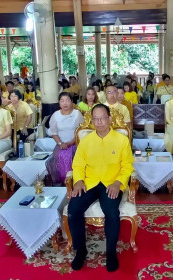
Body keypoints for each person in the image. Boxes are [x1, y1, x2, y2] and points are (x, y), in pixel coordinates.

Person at [68, 104, 134, 272]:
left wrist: (118, 183)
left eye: (103, 118)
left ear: (109, 119)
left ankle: (111, 252)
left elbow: (127, 166)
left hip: (111, 183)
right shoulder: (86, 141)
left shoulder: (122, 140)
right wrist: (79, 181)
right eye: (95, 119)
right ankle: (80, 250)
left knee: (111, 211)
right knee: (73, 208)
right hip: (89, 182)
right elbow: (78, 165)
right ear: (91, 120)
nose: (99, 122)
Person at [46, 92, 84, 185]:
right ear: (59, 103)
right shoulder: (55, 115)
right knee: (55, 159)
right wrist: (60, 144)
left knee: (73, 157)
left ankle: (75, 181)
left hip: (75, 142)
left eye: (67, 100)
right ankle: (61, 183)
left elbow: (81, 132)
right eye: (62, 101)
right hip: (60, 144)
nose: (65, 103)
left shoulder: (77, 114)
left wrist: (70, 143)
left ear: (72, 102)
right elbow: (53, 133)